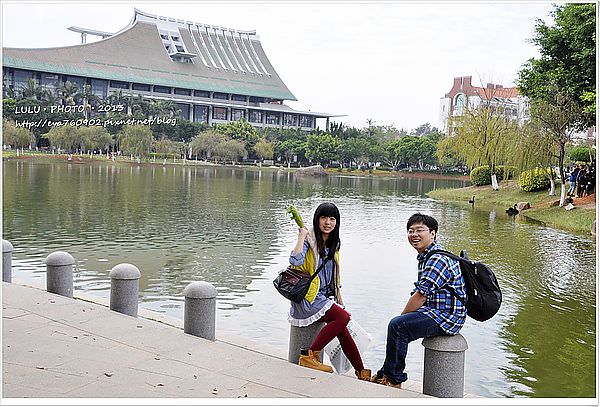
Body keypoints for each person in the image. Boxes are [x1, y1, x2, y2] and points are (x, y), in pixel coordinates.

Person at [371, 213, 466, 389]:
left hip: (446, 317)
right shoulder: (427, 256)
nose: (414, 234)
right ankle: (386, 372)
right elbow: (422, 291)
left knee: (398, 326)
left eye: (419, 230)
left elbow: (421, 295)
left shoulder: (437, 258)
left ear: (433, 233)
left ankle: (393, 380)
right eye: (410, 230)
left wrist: (401, 317)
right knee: (399, 326)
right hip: (435, 310)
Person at [289, 202, 371, 381]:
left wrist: (339, 298)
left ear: (337, 222)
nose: (328, 222)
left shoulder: (334, 245)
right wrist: (302, 236)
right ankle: (310, 355)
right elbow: (294, 261)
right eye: (324, 218)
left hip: (324, 298)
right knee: (342, 318)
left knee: (342, 326)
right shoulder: (309, 241)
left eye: (332, 218)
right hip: (308, 298)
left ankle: (361, 372)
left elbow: (335, 276)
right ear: (317, 220)